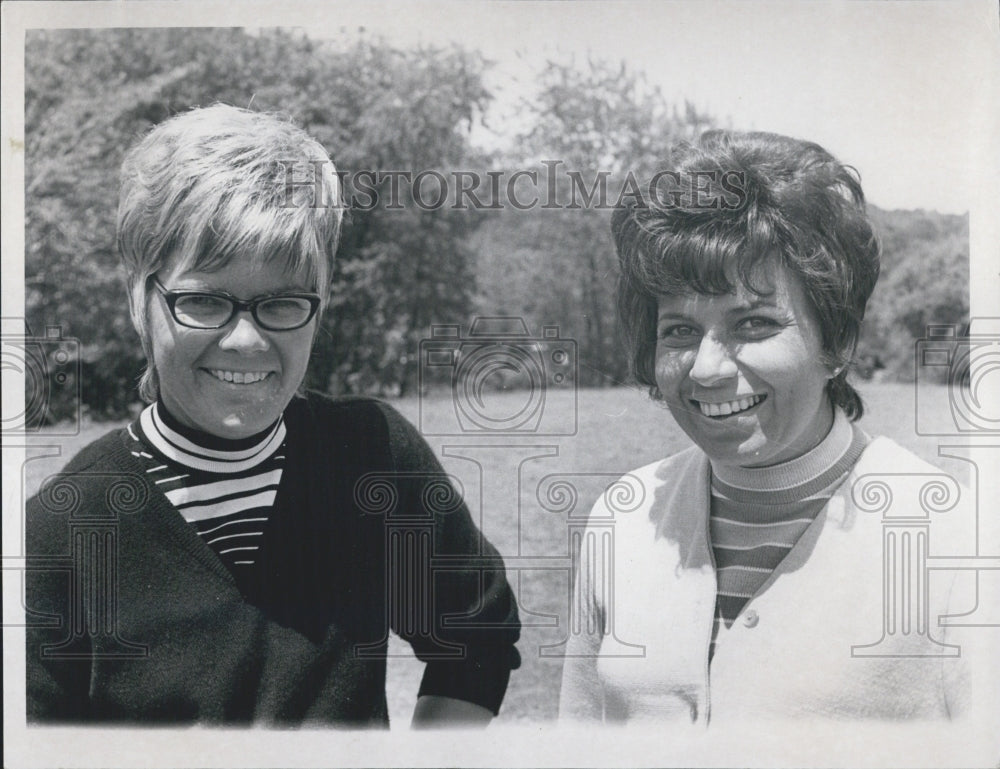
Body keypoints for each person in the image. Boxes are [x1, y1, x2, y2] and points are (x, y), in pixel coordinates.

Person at [26, 104, 520, 727]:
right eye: (203, 300)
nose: (245, 341)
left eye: (282, 303)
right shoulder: (58, 539)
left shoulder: (370, 456)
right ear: (137, 297)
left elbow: (478, 638)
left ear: (323, 299)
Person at [558, 130, 990, 724]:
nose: (707, 368)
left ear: (835, 340)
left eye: (754, 324)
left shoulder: (957, 542)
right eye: (679, 330)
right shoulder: (623, 519)